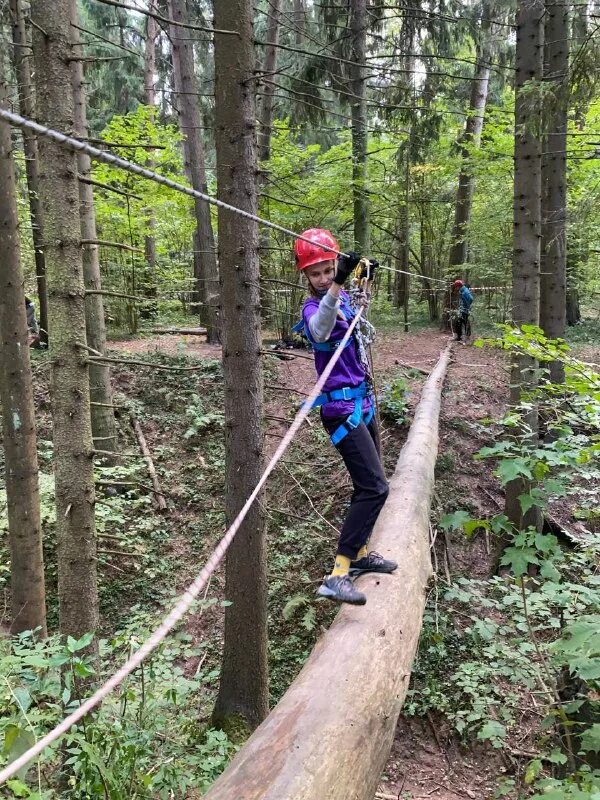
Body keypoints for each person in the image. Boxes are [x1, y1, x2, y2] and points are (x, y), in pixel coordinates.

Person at [293, 228, 396, 606]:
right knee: (375, 488)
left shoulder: (346, 301)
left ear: (335, 263)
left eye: (327, 269)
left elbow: (353, 305)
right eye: (315, 273)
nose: (322, 278)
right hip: (341, 412)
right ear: (306, 277)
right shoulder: (312, 309)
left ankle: (361, 554)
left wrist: (364, 277)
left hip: (363, 404)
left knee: (368, 484)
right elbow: (321, 326)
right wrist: (338, 283)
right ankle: (337, 574)